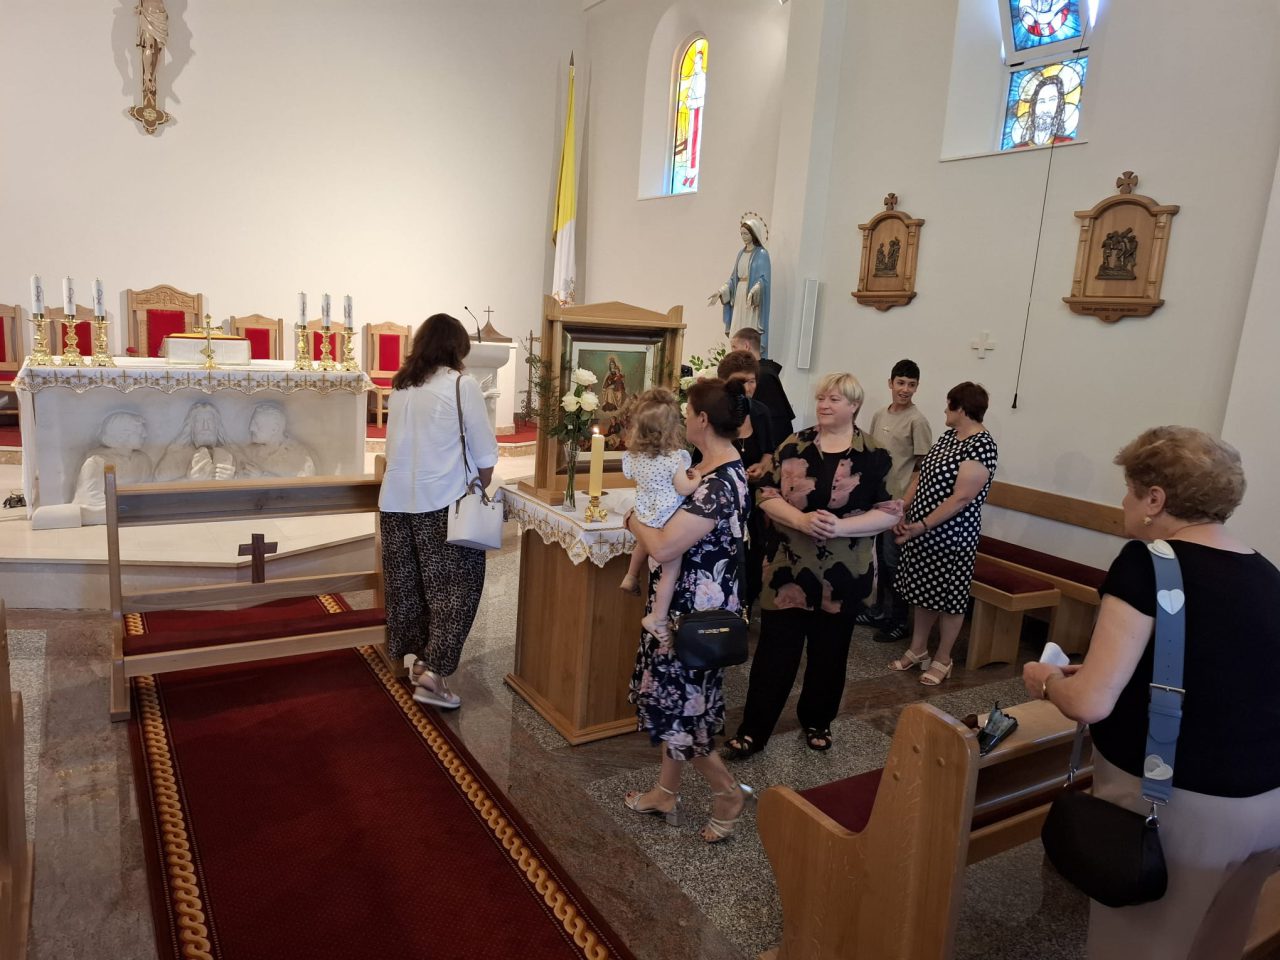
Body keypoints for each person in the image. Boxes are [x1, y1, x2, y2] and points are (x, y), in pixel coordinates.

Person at [1022, 426, 1280, 960]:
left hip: (1178, 802)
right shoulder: (1263, 570)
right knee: (1215, 946)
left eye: (1130, 489)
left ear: (1155, 499)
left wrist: (1047, 680)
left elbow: (1090, 704)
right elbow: (1218, 673)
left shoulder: (1150, 562)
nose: (1124, 501)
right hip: (1265, 801)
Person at [725, 373, 901, 758]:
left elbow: (890, 511)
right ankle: (754, 730)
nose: (824, 404)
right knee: (774, 655)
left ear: (854, 405)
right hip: (788, 570)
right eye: (822, 397)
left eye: (834, 399)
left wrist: (841, 527)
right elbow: (766, 494)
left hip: (844, 575)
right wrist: (800, 520)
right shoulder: (795, 444)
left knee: (830, 655)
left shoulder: (875, 454)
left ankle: (818, 721)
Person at [624, 377, 754, 843]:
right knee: (680, 704)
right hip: (683, 604)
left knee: (681, 711)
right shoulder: (709, 468)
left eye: (687, 412)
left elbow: (662, 547)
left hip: (693, 617)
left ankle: (727, 792)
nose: (682, 419)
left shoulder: (717, 485)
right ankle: (665, 792)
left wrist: (633, 519)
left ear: (701, 419)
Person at [378, 313, 498, 711]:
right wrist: (479, 483)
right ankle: (433, 676)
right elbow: (484, 455)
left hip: (395, 503)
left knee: (410, 589)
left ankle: (419, 662)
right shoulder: (462, 384)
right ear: (456, 347)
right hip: (443, 503)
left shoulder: (402, 386)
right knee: (456, 591)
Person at [888, 382, 998, 686]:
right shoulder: (949, 437)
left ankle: (943, 658)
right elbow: (921, 476)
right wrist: (903, 506)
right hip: (922, 531)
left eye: (949, 405)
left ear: (961, 408)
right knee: (922, 592)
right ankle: (918, 649)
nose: (945, 411)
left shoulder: (981, 445)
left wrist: (923, 524)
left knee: (949, 599)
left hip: (952, 537)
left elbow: (961, 497)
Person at [857, 359, 933, 642]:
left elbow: (922, 468)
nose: (905, 389)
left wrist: (905, 503)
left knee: (893, 561)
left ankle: (899, 620)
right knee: (877, 558)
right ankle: (878, 611)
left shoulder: (917, 421)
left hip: (899, 503)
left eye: (911, 385)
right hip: (877, 499)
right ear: (890, 383)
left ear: (917, 387)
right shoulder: (880, 415)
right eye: (900, 383)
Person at [618, 388, 702, 641]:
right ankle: (658, 617)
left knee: (642, 544)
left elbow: (631, 476)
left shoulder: (634, 457)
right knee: (670, 571)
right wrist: (697, 479)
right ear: (672, 429)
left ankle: (631, 575)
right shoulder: (674, 459)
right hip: (666, 517)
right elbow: (683, 488)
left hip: (644, 512)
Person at [715, 349, 777, 607]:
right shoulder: (716, 413)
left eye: (752, 381)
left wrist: (762, 467)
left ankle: (745, 612)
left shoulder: (761, 412)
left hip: (752, 501)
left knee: (751, 561)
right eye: (741, 381)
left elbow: (769, 452)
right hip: (720, 501)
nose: (748, 388)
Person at [73, 411, 155, 524]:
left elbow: (148, 493)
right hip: (106, 517)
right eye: (139, 432)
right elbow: (88, 500)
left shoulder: (143, 460)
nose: (145, 435)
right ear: (122, 436)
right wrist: (125, 507)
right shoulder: (96, 462)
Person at [710, 216, 771, 353]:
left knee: (749, 327)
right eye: (742, 234)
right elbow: (733, 279)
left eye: (746, 234)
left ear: (754, 234)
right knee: (737, 328)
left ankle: (749, 354)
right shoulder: (741, 254)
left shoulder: (762, 254)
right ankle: (737, 354)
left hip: (752, 299)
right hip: (739, 295)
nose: (744, 237)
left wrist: (755, 290)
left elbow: (764, 280)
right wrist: (721, 291)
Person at [730, 326, 793, 442]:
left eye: (734, 347)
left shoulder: (762, 375)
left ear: (746, 346)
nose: (732, 352)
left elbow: (768, 416)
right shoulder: (764, 370)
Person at [154, 402, 239, 482]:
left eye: (210, 421)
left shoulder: (231, 453)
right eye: (199, 422)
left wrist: (231, 479)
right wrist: (189, 480)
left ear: (217, 427)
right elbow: (157, 484)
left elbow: (245, 478)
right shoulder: (176, 455)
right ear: (191, 428)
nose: (205, 427)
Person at [239, 403, 317, 478]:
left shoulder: (299, 454)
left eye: (257, 425)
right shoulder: (249, 451)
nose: (251, 428)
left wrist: (262, 476)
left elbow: (304, 483)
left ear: (274, 429)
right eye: (252, 423)